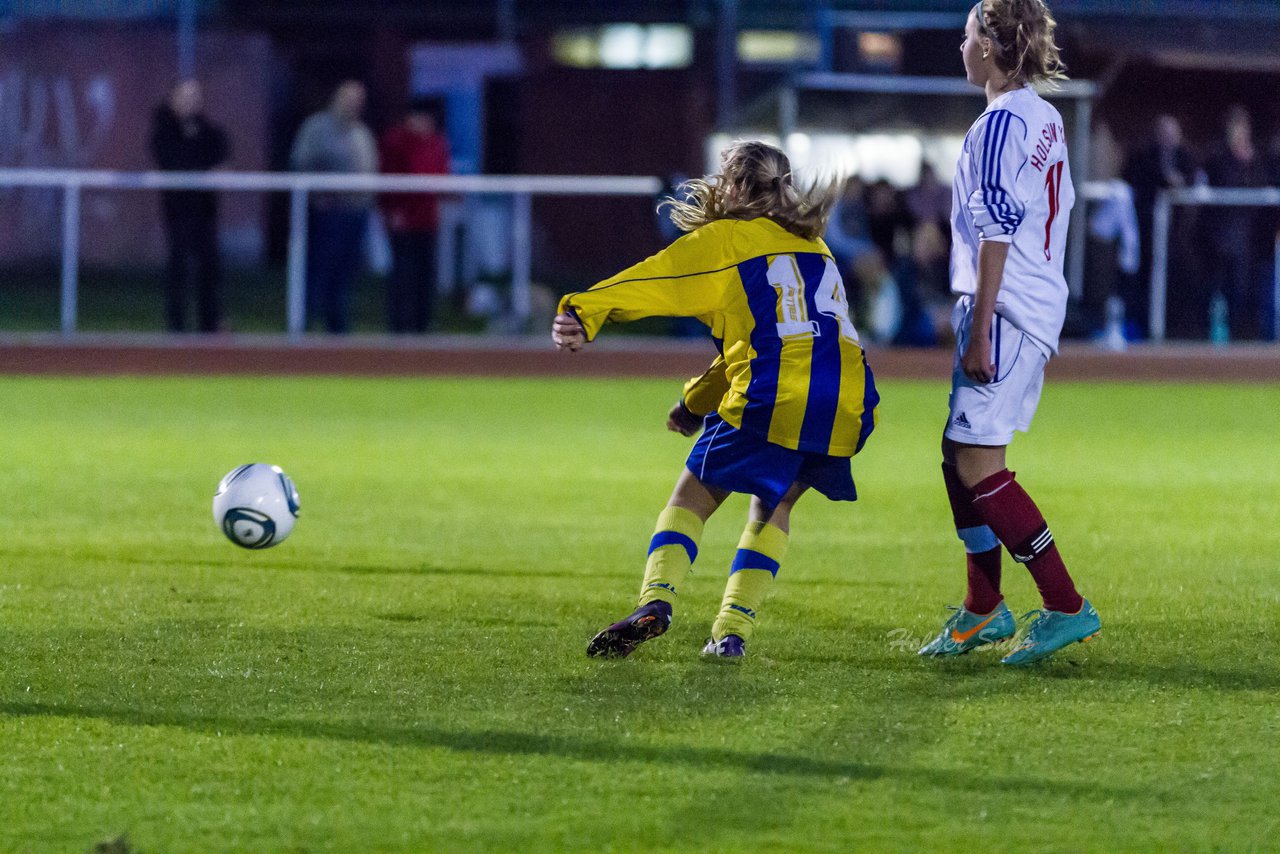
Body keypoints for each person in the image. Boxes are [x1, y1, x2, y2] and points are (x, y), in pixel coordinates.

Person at [551, 140, 879, 660]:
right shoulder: (815, 247)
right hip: (848, 399)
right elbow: (752, 345)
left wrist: (584, 310)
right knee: (774, 503)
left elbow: (657, 277)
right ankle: (730, 634)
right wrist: (695, 404)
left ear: (735, 186)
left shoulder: (728, 241)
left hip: (776, 390)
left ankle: (654, 603)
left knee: (691, 498)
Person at [918, 0, 1100, 666]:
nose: (959, 46)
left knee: (975, 462)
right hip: (1032, 301)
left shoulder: (997, 126)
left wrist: (981, 327)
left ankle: (1063, 605)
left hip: (1008, 311)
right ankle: (982, 608)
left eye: (967, 35)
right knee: (956, 451)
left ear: (991, 46)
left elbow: (996, 230)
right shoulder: (1044, 115)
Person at [290, 80, 379, 334]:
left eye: (358, 99)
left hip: (357, 212)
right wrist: (319, 195)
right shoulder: (318, 128)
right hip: (330, 213)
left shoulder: (361, 131)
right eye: (349, 98)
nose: (354, 104)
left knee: (345, 276)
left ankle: (338, 331)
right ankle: (302, 327)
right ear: (337, 98)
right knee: (320, 273)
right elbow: (301, 162)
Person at [149, 79, 230, 333]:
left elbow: (221, 150)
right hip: (178, 210)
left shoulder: (207, 130)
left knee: (209, 267)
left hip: (205, 210)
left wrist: (212, 169)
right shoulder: (164, 130)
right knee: (179, 266)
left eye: (195, 96)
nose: (191, 101)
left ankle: (210, 325)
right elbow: (172, 159)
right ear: (173, 98)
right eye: (185, 96)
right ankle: (176, 327)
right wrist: (203, 170)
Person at [379, 98, 450, 333]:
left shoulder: (436, 142)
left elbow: (442, 175)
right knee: (403, 274)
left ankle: (423, 324)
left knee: (426, 274)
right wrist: (392, 211)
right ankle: (399, 325)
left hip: (428, 219)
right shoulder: (395, 141)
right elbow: (388, 178)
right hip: (403, 220)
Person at [1122, 115, 1195, 337]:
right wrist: (1165, 181)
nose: (1168, 138)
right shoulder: (1144, 155)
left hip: (1177, 237)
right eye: (1164, 133)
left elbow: (1193, 181)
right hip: (1145, 232)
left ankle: (1175, 329)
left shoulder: (1184, 157)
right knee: (1143, 279)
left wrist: (1180, 182)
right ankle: (1142, 327)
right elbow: (1134, 181)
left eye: (1173, 134)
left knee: (1176, 282)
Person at [1204, 105, 1268, 340]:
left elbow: (1261, 188)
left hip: (1244, 235)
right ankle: (1213, 334)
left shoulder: (1255, 158)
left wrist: (1247, 163)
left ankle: (1237, 336)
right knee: (1216, 286)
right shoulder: (1217, 156)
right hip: (1219, 234)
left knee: (1240, 288)